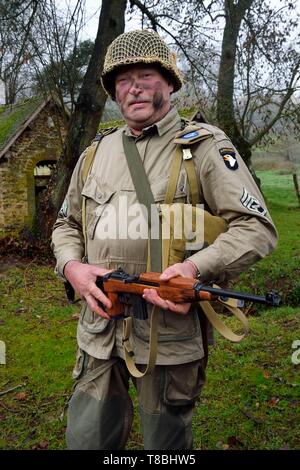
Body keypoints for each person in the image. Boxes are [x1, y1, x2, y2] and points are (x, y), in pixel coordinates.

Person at [52, 29, 278, 450]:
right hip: (100, 330)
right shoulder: (95, 153)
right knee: (87, 440)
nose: (133, 87)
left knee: (166, 447)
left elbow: (256, 228)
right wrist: (73, 268)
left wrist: (195, 268)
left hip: (169, 338)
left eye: (145, 75)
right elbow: (67, 225)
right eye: (123, 79)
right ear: (112, 91)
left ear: (170, 82)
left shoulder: (206, 148)